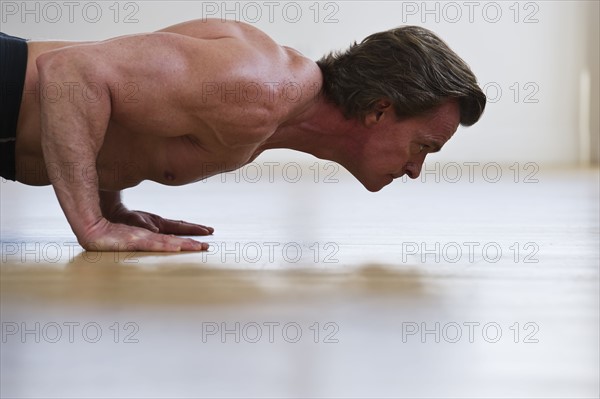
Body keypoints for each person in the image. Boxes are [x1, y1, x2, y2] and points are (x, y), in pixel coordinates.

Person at [0, 20, 486, 252]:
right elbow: (72, 73)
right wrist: (93, 226)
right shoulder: (260, 86)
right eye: (423, 146)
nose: (416, 170)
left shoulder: (274, 114)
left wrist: (112, 206)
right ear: (380, 110)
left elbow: (125, 107)